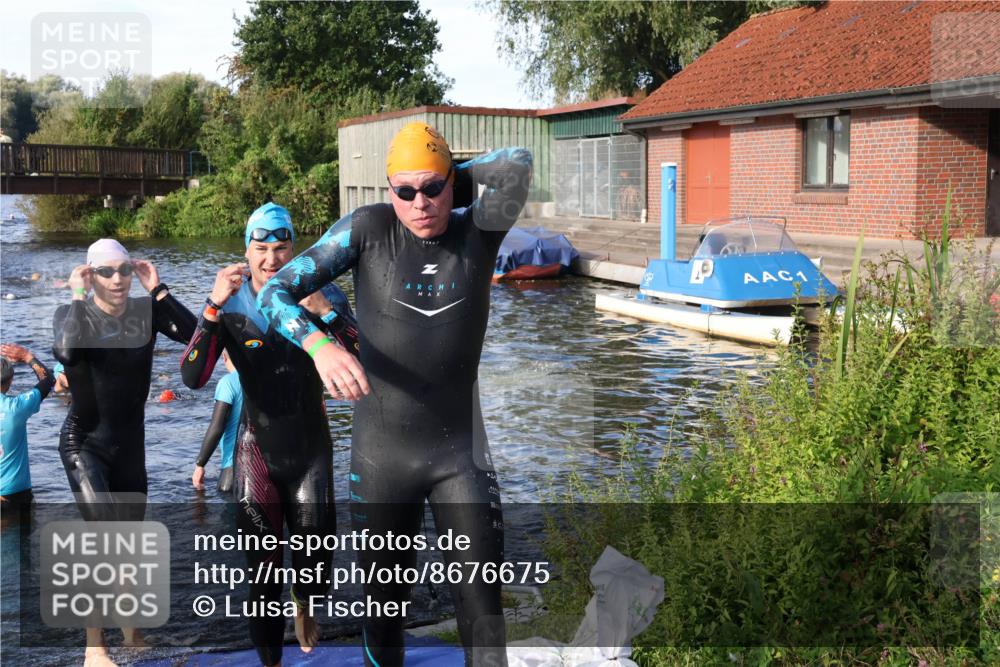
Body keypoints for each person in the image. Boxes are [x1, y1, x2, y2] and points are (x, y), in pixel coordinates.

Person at [257, 122, 532, 667]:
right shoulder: (368, 229)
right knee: (383, 614)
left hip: (461, 456)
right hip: (382, 457)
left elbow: (519, 163)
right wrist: (320, 347)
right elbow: (274, 291)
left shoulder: (480, 228)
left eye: (432, 188)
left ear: (453, 184)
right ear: (389, 190)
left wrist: (455, 174)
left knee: (483, 611)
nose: (419, 203)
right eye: (404, 191)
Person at [180, 202, 358, 667]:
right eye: (260, 249)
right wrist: (212, 306)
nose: (271, 259)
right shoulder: (231, 302)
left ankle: (305, 604)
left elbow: (365, 357)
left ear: (294, 249)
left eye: (281, 248)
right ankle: (271, 662)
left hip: (310, 449)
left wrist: (327, 313)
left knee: (315, 564)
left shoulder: (321, 293)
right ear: (246, 251)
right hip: (257, 450)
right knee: (262, 577)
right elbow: (193, 378)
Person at [52, 238, 196, 667]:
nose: (117, 280)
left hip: (131, 446)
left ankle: (132, 633)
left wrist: (159, 290)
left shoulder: (145, 313)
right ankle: (94, 649)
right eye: (106, 272)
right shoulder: (72, 314)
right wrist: (77, 296)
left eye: (124, 270)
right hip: (85, 444)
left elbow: (196, 337)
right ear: (90, 275)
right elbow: (66, 352)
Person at [1, 344, 55, 508]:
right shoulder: (17, 407)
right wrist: (27, 356)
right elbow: (48, 380)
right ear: (10, 380)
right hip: (13, 493)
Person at [191, 351, 242, 495]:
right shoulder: (266, 380)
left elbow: (217, 427)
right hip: (268, 464)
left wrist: (200, 464)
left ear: (224, 357)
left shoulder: (228, 382)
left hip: (234, 467)